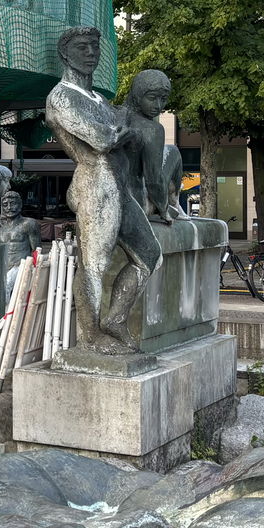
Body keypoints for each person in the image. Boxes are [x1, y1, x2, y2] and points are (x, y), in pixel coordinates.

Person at [43, 27, 159, 355]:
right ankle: (91, 337)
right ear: (66, 54)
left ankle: (115, 320)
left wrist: (122, 130)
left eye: (94, 47)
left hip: (118, 185)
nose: (91, 53)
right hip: (94, 183)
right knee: (93, 264)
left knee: (150, 255)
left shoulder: (99, 99)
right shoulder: (61, 96)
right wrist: (121, 130)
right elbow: (102, 139)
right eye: (83, 47)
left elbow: (123, 132)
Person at [117, 69, 187, 225]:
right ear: (137, 95)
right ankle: (174, 202)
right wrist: (163, 210)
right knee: (173, 151)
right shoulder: (152, 129)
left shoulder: (115, 115)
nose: (158, 105)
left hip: (114, 203)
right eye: (152, 98)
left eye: (163, 99)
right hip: (138, 204)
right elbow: (153, 180)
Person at [0, 190, 41, 298]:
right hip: (2, 268)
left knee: (6, 289)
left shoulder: (29, 224)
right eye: (5, 205)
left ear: (20, 205)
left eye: (13, 203)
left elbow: (37, 250)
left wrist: (34, 271)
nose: (9, 207)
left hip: (21, 267)